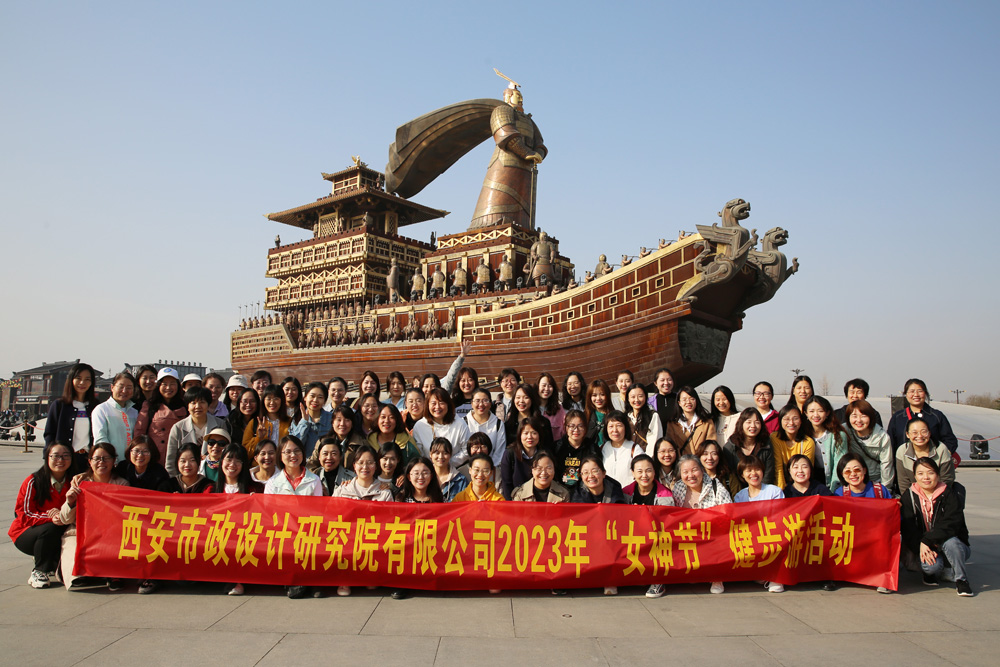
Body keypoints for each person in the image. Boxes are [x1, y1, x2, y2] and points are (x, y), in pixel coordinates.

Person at [60, 442, 129, 590]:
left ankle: (112, 574)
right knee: (73, 552)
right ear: (89, 461)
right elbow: (65, 519)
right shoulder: (80, 482)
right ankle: (80, 575)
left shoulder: (122, 484)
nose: (101, 462)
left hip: (111, 531)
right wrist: (70, 502)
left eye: (106, 458)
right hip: (80, 531)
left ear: (114, 461)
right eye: (97, 458)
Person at [900, 457, 974, 596]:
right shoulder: (908, 496)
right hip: (925, 546)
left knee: (952, 543)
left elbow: (952, 524)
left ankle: (961, 580)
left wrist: (927, 540)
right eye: (920, 473)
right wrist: (921, 546)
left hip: (951, 545)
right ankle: (930, 574)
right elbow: (908, 529)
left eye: (930, 473)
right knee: (931, 567)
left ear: (938, 475)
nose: (926, 477)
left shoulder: (949, 494)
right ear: (914, 476)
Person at [10, 442, 77, 589]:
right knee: (51, 528)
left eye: (66, 456)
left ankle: (52, 562)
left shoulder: (75, 482)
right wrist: (52, 517)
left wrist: (62, 515)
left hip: (62, 528)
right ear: (47, 458)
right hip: (27, 532)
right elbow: (24, 514)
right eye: (55, 456)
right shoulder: (34, 481)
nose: (60, 460)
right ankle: (39, 571)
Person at [332, 444, 396, 597]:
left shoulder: (384, 492)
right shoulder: (343, 489)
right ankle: (344, 578)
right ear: (354, 465)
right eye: (360, 463)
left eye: (370, 463)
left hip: (372, 537)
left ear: (376, 465)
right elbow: (331, 516)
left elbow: (389, 522)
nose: (365, 467)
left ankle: (369, 573)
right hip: (348, 538)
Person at [672, 455, 731, 594]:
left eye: (694, 470)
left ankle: (717, 578)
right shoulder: (679, 487)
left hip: (712, 536)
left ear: (702, 470)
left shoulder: (717, 488)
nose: (690, 475)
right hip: (687, 536)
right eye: (685, 472)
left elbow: (729, 516)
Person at [212, 444, 263, 596]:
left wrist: (256, 503)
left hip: (244, 537)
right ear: (221, 461)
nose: (232, 464)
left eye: (238, 461)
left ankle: (236, 580)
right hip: (217, 536)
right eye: (228, 459)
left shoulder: (255, 489)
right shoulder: (211, 489)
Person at [572, 453, 627, 595]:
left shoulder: (614, 487)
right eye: (585, 472)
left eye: (595, 471)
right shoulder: (577, 491)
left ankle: (610, 579)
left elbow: (619, 515)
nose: (590, 476)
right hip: (588, 533)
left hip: (610, 532)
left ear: (603, 473)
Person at [734, 456, 786, 593]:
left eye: (757, 469)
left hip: (771, 533)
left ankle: (776, 578)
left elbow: (779, 516)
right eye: (749, 470)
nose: (754, 473)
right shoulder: (739, 496)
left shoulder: (774, 491)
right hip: (750, 535)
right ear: (742, 475)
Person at [43, 362, 98, 465]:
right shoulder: (59, 405)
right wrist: (48, 457)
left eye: (87, 379)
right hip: (64, 460)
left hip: (88, 460)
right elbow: (50, 434)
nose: (82, 382)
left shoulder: (96, 406)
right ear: (71, 380)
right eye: (78, 378)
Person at [165, 387, 228, 476]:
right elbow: (171, 460)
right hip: (185, 477)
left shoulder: (220, 424)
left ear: (208, 405)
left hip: (212, 476)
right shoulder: (178, 428)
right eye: (193, 403)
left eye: (202, 402)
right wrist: (174, 481)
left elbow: (225, 454)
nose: (197, 406)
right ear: (187, 406)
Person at [886, 379, 958, 454]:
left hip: (932, 460)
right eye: (912, 391)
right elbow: (891, 444)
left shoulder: (937, 416)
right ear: (906, 394)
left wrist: (940, 457)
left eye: (920, 391)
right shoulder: (898, 417)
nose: (916, 395)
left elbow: (950, 441)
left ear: (925, 393)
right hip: (904, 460)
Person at [135, 368, 188, 465]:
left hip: (179, 457)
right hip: (155, 457)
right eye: (164, 384)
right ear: (158, 385)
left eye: (172, 384)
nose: (168, 387)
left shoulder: (185, 405)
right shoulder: (149, 405)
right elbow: (140, 431)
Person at [895, 418, 955, 494]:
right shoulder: (902, 451)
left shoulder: (941, 449)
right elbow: (903, 482)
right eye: (914, 432)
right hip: (913, 496)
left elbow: (947, 479)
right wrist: (911, 499)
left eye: (923, 432)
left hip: (940, 495)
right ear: (907, 434)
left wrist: (933, 497)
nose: (919, 436)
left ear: (929, 433)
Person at [412, 388, 471, 465]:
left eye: (441, 403)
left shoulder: (460, 424)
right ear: (427, 405)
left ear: (448, 404)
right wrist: (432, 466)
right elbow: (419, 452)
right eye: (433, 403)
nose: (437, 407)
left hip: (455, 468)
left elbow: (466, 450)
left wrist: (446, 463)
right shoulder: (420, 426)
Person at [845, 399, 894, 489]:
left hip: (875, 481)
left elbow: (886, 464)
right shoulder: (844, 431)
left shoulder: (882, 437)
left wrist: (885, 489)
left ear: (871, 417)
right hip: (852, 480)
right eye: (854, 416)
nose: (858, 420)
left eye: (863, 416)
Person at [803, 396, 851, 489]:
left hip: (831, 479)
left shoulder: (838, 436)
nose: (816, 415)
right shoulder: (803, 435)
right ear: (806, 413)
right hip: (810, 480)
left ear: (827, 413)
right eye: (811, 411)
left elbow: (839, 464)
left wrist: (833, 489)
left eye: (820, 411)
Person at [723, 407, 775, 487]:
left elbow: (768, 475)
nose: (753, 426)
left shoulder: (766, 445)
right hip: (738, 491)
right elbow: (731, 477)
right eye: (749, 422)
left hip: (762, 489)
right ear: (741, 424)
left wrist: (762, 492)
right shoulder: (730, 447)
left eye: (757, 422)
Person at [500, 416, 548, 500]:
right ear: (520, 435)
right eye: (526, 433)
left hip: (540, 501)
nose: (530, 437)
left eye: (534, 433)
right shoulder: (510, 454)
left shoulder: (545, 454)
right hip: (517, 500)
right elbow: (506, 484)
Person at [91, 372, 138, 455]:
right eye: (121, 387)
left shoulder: (134, 412)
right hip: (111, 460)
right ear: (112, 387)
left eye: (129, 387)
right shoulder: (102, 410)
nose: (124, 391)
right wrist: (111, 459)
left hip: (132, 460)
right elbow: (100, 439)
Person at [770, 405, 817, 489]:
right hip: (781, 484)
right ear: (780, 421)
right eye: (786, 419)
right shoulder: (775, 438)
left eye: (795, 419)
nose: (791, 423)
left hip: (801, 483)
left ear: (801, 421)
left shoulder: (808, 442)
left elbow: (807, 469)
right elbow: (778, 467)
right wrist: (781, 490)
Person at [666, 386, 717, 455]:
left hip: (701, 460)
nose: (688, 402)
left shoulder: (707, 422)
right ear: (679, 403)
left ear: (696, 401)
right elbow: (671, 447)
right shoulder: (672, 424)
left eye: (692, 399)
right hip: (682, 461)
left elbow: (711, 445)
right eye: (684, 399)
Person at [243, 384, 291, 456]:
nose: (272, 402)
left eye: (276, 398)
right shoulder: (255, 422)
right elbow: (245, 453)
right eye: (268, 399)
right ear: (263, 401)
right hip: (260, 463)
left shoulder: (290, 422)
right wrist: (259, 438)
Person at [289, 382, 333, 459]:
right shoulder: (297, 418)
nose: (315, 400)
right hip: (305, 463)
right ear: (305, 398)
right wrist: (304, 422)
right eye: (312, 396)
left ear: (325, 401)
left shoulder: (331, 418)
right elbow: (295, 445)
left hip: (327, 462)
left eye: (320, 397)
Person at [553, 409, 594, 491]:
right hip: (560, 490)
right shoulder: (556, 448)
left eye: (580, 426)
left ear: (585, 428)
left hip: (584, 491)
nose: (576, 430)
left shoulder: (592, 447)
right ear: (566, 427)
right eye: (572, 426)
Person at [465, 387, 506, 467]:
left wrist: (488, 468)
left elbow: (499, 452)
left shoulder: (498, 424)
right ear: (471, 403)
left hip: (491, 468)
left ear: (490, 404)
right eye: (477, 401)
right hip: (468, 469)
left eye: (485, 400)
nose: (481, 404)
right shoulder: (464, 422)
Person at [601, 411, 643, 487]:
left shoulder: (635, 449)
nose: (615, 430)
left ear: (625, 427)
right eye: (611, 426)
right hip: (608, 493)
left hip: (629, 492)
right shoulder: (602, 448)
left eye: (619, 426)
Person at [503, 383, 552, 447]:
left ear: (532, 399)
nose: (521, 401)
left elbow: (549, 447)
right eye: (518, 397)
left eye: (526, 397)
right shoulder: (508, 425)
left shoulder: (543, 423)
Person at [625, 383, 662, 456]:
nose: (636, 400)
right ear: (628, 399)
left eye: (640, 396)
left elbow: (654, 442)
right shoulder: (625, 417)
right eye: (633, 397)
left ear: (645, 397)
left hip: (645, 458)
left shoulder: (653, 416)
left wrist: (646, 459)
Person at [429, 436, 469, 501]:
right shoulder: (424, 478)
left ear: (450, 455)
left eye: (445, 453)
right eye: (437, 453)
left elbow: (465, 504)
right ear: (430, 454)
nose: (441, 456)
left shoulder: (461, 480)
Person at [537, 372, 567, 441]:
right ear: (537, 387)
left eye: (550, 386)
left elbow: (564, 432)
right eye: (544, 385)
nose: (546, 389)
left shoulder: (559, 410)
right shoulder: (531, 408)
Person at [647, 367, 678, 433]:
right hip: (658, 437)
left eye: (669, 380)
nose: (666, 383)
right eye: (662, 380)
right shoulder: (649, 402)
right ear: (655, 383)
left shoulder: (680, 399)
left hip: (678, 436)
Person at [585, 379, 613, 446]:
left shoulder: (614, 416)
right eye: (594, 395)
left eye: (602, 394)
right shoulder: (585, 416)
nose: (598, 398)